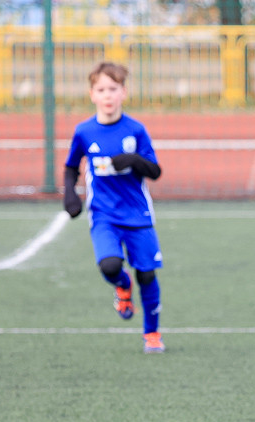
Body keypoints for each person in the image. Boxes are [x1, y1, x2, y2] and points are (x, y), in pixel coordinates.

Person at [64, 62, 165, 354]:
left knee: (146, 274)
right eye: (101, 89)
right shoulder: (84, 131)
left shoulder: (136, 129)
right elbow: (71, 166)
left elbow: (155, 171)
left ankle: (152, 333)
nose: (107, 95)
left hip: (138, 215)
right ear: (91, 94)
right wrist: (69, 194)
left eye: (113, 89)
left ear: (124, 92)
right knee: (109, 265)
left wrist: (133, 160)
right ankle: (122, 286)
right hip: (104, 215)